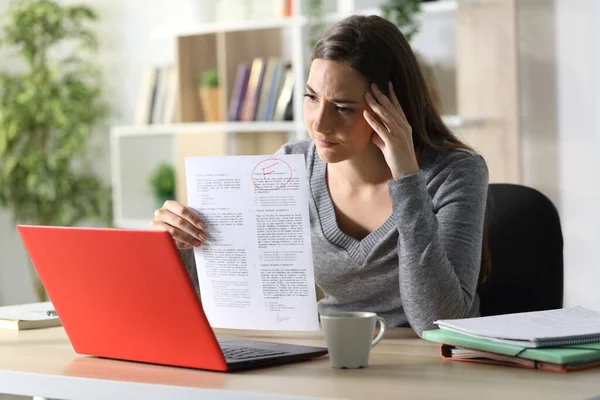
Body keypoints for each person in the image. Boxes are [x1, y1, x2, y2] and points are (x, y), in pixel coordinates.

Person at [150, 15, 490, 336]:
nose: (319, 123)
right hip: (330, 351)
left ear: (393, 107)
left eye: (343, 108)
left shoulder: (456, 173)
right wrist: (178, 245)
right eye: (311, 97)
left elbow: (437, 322)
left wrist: (405, 178)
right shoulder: (289, 167)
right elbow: (227, 302)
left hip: (433, 362)